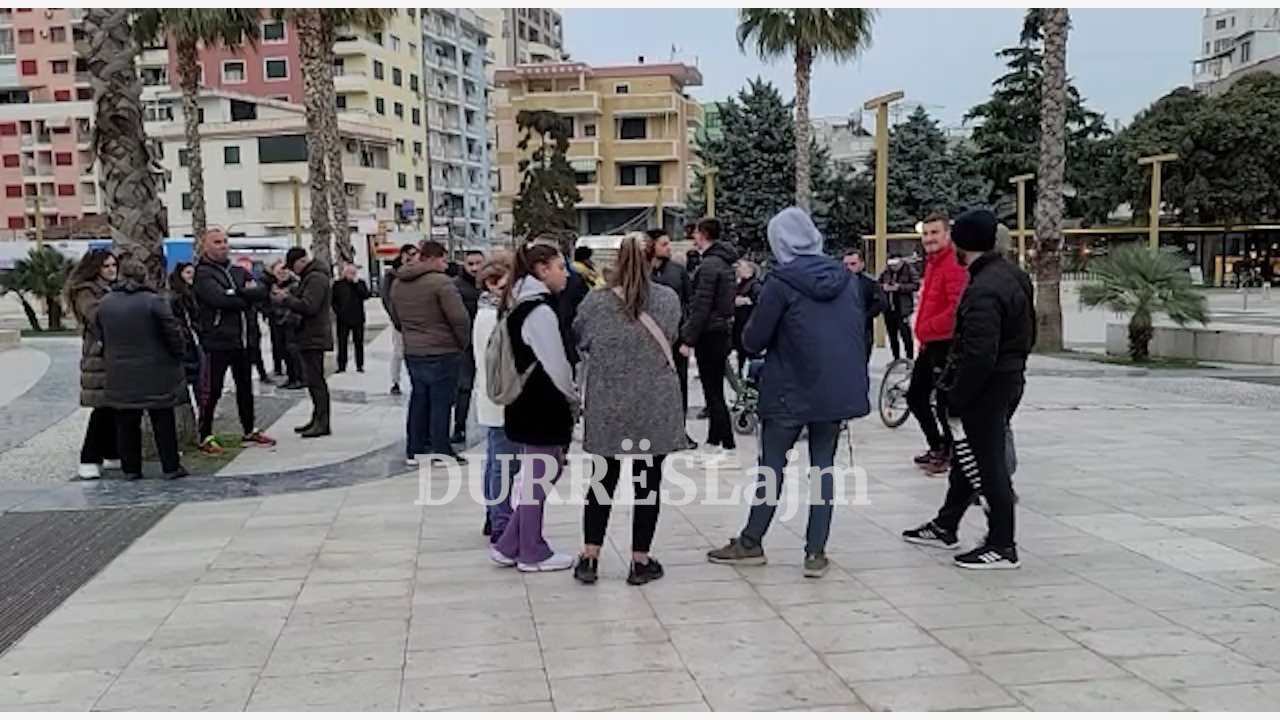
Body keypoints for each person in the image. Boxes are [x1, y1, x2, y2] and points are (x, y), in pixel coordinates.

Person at [706, 207, 870, 578]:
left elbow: (753, 340)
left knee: (772, 466)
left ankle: (751, 541)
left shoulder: (781, 282)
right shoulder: (847, 279)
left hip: (788, 389)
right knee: (823, 467)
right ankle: (815, 553)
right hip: (834, 390)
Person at [903, 209, 1033, 570]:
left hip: (987, 387)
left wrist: (957, 398)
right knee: (967, 457)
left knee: (989, 464)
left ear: (963, 242)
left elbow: (979, 353)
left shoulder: (983, 289)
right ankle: (947, 524)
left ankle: (1002, 543)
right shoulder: (1013, 275)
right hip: (1009, 377)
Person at [572, 232, 684, 586]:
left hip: (608, 401)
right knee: (647, 482)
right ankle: (640, 560)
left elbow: (581, 339)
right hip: (655, 400)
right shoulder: (668, 299)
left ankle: (590, 557)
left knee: (602, 480)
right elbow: (674, 335)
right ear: (653, 260)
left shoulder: (595, 302)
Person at [490, 241, 577, 572]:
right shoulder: (538, 309)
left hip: (525, 402)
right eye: (559, 266)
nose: (565, 274)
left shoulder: (518, 302)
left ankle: (510, 544)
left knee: (538, 474)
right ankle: (532, 550)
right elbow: (554, 362)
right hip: (541, 403)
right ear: (542, 269)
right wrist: (572, 395)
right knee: (539, 477)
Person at [96, 256, 188, 480]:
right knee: (162, 420)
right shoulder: (153, 301)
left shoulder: (106, 303)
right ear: (143, 276)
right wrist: (179, 354)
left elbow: (100, 335)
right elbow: (172, 333)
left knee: (126, 423)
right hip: (156, 370)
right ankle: (170, 466)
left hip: (119, 372)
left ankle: (131, 469)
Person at [192, 228, 276, 453]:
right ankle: (205, 435)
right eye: (217, 242)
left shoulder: (238, 270)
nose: (223, 246)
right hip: (217, 342)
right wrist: (243, 297)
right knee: (213, 390)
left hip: (243, 341)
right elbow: (217, 299)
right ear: (206, 246)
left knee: (245, 388)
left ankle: (249, 429)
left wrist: (237, 293)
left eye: (225, 241)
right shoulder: (203, 273)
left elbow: (260, 291)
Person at [389, 241, 470, 465]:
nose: (445, 265)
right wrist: (462, 342)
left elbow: (395, 318)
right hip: (442, 349)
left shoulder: (398, 282)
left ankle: (415, 448)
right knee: (441, 402)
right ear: (434, 258)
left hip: (413, 350)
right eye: (443, 259)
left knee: (419, 398)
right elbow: (459, 318)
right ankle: (441, 449)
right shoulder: (441, 283)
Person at [907, 212, 967, 475]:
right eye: (926, 233)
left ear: (947, 235)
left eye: (934, 233)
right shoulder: (932, 263)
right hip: (929, 344)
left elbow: (957, 309)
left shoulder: (952, 264)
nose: (929, 238)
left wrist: (927, 328)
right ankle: (938, 445)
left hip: (944, 343)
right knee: (916, 397)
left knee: (943, 404)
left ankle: (951, 453)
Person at [680, 217, 739, 466]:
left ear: (702, 234)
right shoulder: (723, 263)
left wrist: (688, 338)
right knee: (714, 388)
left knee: (712, 390)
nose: (693, 238)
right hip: (721, 330)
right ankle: (716, 439)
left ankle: (724, 442)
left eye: (695, 233)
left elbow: (701, 305)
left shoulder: (709, 266)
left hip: (709, 333)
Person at [65, 248, 121, 479]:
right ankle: (89, 457)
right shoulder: (86, 291)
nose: (111, 270)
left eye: (113, 265)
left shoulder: (113, 289)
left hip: (114, 353)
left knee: (112, 407)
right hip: (98, 354)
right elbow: (96, 315)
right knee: (102, 408)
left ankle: (110, 451)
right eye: (106, 266)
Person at [472, 259, 516, 542]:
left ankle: (493, 514)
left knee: (495, 461)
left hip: (495, 397)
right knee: (503, 463)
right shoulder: (491, 316)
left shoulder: (488, 311)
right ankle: (501, 519)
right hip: (501, 398)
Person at [271, 248, 334, 438]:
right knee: (314, 381)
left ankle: (322, 422)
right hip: (310, 335)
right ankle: (317, 419)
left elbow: (309, 306)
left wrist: (286, 299)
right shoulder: (311, 277)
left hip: (314, 336)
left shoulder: (315, 278)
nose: (293, 272)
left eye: (293, 267)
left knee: (316, 381)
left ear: (300, 261)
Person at [646, 228, 695, 449]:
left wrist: (687, 338)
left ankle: (679, 430)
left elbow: (689, 303)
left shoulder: (677, 271)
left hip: (675, 338)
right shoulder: (642, 272)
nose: (669, 248)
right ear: (652, 245)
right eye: (664, 244)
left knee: (679, 384)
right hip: (647, 341)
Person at [452, 250, 485, 445]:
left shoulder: (492, 284)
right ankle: (459, 427)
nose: (474, 268)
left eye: (478, 263)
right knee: (464, 386)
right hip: (465, 344)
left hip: (488, 341)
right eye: (470, 264)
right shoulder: (456, 286)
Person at [381, 243, 418, 395]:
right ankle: (395, 381)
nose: (412, 257)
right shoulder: (392, 275)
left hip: (416, 321)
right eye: (409, 254)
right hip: (399, 322)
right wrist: (396, 319)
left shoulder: (417, 272)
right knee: (399, 352)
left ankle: (414, 380)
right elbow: (387, 299)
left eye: (415, 254)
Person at [841, 249, 886, 355]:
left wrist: (865, 315)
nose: (848, 268)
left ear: (861, 264)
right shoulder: (837, 282)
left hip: (863, 329)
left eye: (853, 264)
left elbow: (880, 302)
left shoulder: (870, 283)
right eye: (845, 264)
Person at [234, 257, 271, 384]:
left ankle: (262, 374)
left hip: (251, 322)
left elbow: (259, 293)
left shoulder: (254, 281)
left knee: (255, 349)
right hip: (241, 324)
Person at [167, 262, 202, 395]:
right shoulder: (179, 297)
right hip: (189, 339)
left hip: (194, 338)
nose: (191, 276)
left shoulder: (193, 292)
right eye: (188, 273)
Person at [879, 254, 921, 361]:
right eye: (891, 265)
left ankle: (909, 358)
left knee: (906, 335)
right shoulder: (886, 271)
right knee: (892, 335)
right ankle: (896, 358)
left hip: (903, 308)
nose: (893, 267)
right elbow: (878, 283)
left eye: (895, 265)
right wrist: (883, 287)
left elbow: (916, 285)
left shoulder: (909, 270)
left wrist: (900, 287)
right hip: (889, 308)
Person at [331, 262, 370, 374]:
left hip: (357, 318)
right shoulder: (338, 284)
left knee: (359, 343)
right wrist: (338, 312)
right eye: (349, 272)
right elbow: (333, 301)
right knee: (342, 343)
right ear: (344, 273)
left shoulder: (360, 283)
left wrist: (356, 284)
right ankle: (341, 365)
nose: (351, 275)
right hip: (343, 319)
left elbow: (366, 295)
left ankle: (360, 365)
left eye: (353, 272)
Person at [732, 259, 763, 374]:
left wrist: (746, 301)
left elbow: (759, 300)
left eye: (741, 267)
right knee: (741, 355)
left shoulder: (754, 284)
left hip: (748, 323)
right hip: (741, 324)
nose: (738, 270)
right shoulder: (740, 284)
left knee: (748, 355)